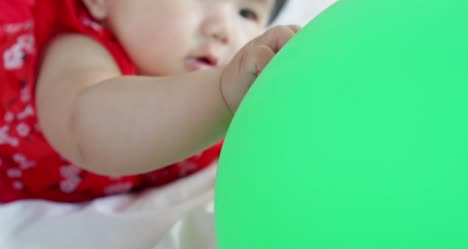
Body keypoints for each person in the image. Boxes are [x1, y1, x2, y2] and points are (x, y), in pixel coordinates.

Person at [0, 0, 299, 203]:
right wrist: (220, 92)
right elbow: (84, 129)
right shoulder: (78, 46)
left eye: (246, 13)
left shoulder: (237, 89)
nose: (222, 29)